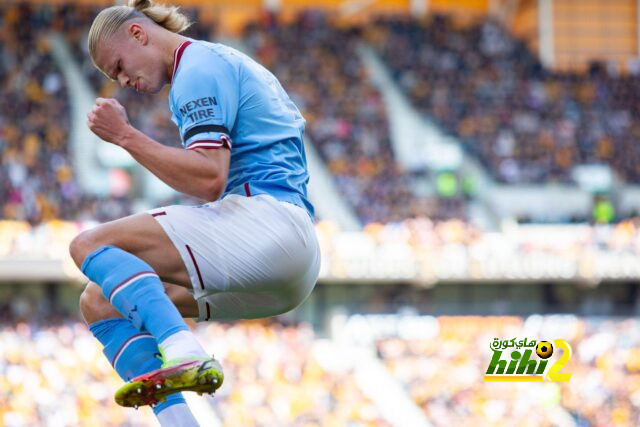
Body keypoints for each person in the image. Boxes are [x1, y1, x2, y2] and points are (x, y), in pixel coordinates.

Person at [68, 0, 321, 425]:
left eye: (120, 67)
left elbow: (207, 178)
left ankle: (182, 348)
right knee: (99, 301)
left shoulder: (196, 66)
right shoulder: (216, 64)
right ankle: (179, 422)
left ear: (137, 33)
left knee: (88, 244)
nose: (125, 81)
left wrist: (125, 136)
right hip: (287, 269)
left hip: (266, 225)